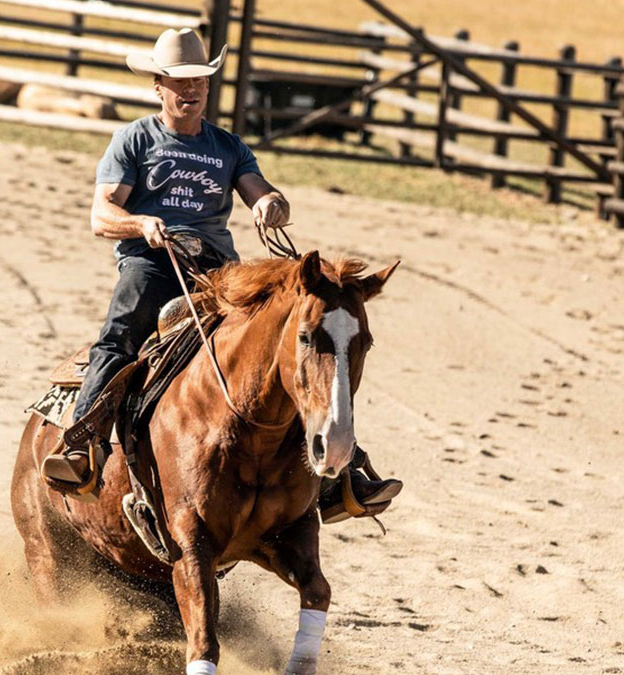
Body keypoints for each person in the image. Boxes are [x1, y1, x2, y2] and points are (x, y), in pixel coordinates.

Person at [40, 28, 401, 521]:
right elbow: (101, 214)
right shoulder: (135, 139)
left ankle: (339, 472)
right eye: (179, 81)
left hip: (219, 271)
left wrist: (271, 203)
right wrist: (141, 224)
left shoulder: (227, 147)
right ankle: (80, 446)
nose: (190, 89)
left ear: (208, 86)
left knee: (282, 344)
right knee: (120, 336)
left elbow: (260, 190)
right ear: (159, 86)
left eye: (199, 80)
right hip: (152, 263)